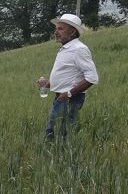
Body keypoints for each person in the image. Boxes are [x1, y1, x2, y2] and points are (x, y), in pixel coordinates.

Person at [38, 13, 98, 142]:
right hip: (61, 98)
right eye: (56, 28)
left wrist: (69, 94)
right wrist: (47, 85)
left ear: (72, 32)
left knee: (60, 135)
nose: (56, 32)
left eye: (61, 29)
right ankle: (56, 158)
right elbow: (66, 74)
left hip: (69, 99)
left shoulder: (79, 49)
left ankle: (62, 159)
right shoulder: (66, 48)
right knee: (53, 133)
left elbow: (92, 77)